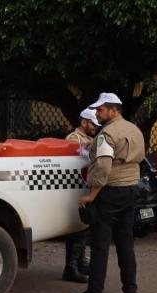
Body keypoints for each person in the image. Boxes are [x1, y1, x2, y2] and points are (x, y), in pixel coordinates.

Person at [75, 93, 145, 293]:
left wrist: (92, 195)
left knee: (100, 245)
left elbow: (104, 167)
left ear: (114, 110)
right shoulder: (134, 129)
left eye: (101, 110)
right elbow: (139, 158)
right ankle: (131, 292)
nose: (97, 113)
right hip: (130, 191)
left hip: (109, 193)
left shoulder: (107, 134)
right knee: (125, 243)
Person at [62, 108, 101, 283]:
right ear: (84, 122)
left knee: (84, 228)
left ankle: (79, 262)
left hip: (84, 187)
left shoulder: (90, 139)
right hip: (74, 188)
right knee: (77, 229)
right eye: (93, 123)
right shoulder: (73, 139)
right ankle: (70, 268)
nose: (95, 127)